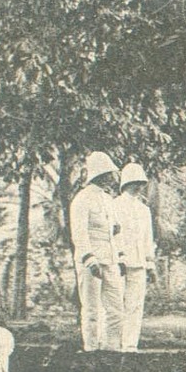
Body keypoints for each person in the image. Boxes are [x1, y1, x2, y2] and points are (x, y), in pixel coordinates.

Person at [70, 150, 124, 351]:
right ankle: (91, 348)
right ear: (100, 174)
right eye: (109, 173)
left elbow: (115, 232)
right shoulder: (82, 199)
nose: (112, 177)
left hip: (110, 259)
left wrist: (120, 257)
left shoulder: (108, 199)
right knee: (92, 309)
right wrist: (89, 259)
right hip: (91, 260)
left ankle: (112, 349)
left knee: (116, 308)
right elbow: (79, 232)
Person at [113, 162, 157, 352]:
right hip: (120, 262)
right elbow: (114, 235)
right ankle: (114, 344)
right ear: (125, 183)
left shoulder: (144, 210)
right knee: (116, 304)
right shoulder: (114, 205)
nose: (138, 187)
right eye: (134, 182)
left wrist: (150, 264)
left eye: (141, 182)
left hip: (139, 262)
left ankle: (130, 345)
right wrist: (120, 256)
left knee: (135, 305)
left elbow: (148, 238)